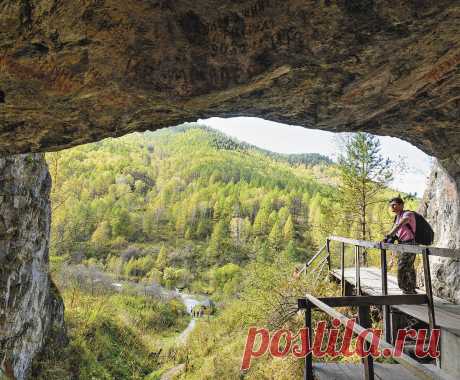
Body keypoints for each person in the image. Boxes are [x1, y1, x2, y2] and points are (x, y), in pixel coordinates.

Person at [384, 196, 417, 295]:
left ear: (401, 205)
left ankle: (406, 291)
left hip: (410, 243)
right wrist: (389, 238)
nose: (392, 207)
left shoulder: (408, 214)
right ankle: (411, 290)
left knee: (402, 267)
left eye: (394, 204)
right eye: (391, 205)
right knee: (409, 267)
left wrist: (390, 234)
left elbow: (401, 224)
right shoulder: (397, 217)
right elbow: (396, 230)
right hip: (402, 244)